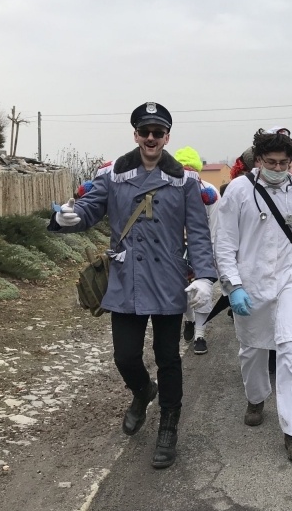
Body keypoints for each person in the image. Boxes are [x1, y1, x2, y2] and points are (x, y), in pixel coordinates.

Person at [49, 102, 216, 469]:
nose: (151, 138)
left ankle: (168, 426)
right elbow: (90, 209)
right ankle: (142, 393)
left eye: (158, 132)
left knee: (169, 357)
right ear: (136, 135)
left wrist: (204, 276)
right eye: (145, 131)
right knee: (125, 356)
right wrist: (67, 218)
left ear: (167, 137)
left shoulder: (185, 182)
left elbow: (199, 234)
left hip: (169, 280)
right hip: (126, 280)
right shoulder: (113, 175)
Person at [214, 129, 292, 462]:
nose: (278, 169)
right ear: (258, 160)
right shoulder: (238, 191)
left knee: (291, 349)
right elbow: (224, 243)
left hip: (291, 279)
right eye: (271, 162)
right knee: (253, 350)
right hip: (251, 283)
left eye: (284, 163)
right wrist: (232, 286)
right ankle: (256, 396)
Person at [173, 146, 220, 355]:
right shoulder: (169, 190)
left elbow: (215, 225)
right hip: (176, 250)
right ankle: (189, 320)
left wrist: (210, 254)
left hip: (202, 248)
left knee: (202, 292)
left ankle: (200, 333)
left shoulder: (210, 193)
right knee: (180, 291)